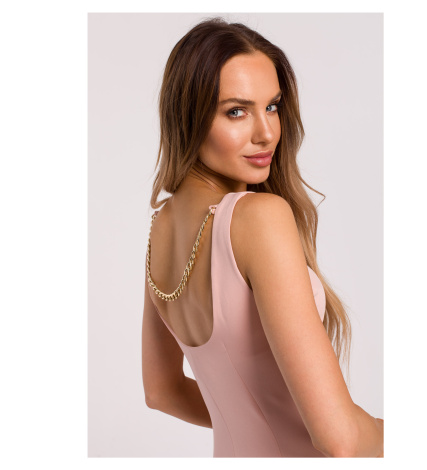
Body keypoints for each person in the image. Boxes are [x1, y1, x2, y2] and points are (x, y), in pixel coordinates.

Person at [141, 17, 384, 458]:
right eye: (236, 111)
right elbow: (341, 440)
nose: (267, 132)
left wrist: (253, 422)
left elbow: (162, 391)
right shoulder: (258, 217)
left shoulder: (161, 227)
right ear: (188, 116)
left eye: (272, 106)